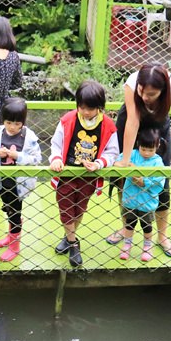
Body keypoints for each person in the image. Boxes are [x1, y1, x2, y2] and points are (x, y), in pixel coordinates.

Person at [110, 64, 171, 258]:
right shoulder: (132, 83)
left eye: (151, 94)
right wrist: (125, 160)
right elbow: (133, 120)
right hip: (130, 129)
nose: (144, 97)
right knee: (124, 181)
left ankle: (162, 236)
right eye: (142, 91)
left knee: (161, 183)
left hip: (158, 132)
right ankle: (126, 228)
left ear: (163, 90)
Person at [48, 80, 119, 268]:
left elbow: (112, 152)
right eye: (82, 107)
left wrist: (99, 163)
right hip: (67, 174)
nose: (86, 112)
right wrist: (56, 159)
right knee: (65, 209)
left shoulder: (108, 126)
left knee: (79, 210)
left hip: (89, 177)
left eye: (90, 108)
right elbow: (56, 144)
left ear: (100, 107)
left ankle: (68, 237)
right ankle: (73, 244)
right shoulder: (68, 120)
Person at [0, 97, 41, 262]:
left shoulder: (29, 136)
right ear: (3, 120)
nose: (12, 127)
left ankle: (14, 246)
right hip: (2, 181)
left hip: (18, 185)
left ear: (23, 122)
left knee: (15, 213)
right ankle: (11, 236)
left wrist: (17, 155)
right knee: (8, 209)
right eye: (9, 122)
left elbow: (36, 159)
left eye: (17, 124)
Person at [117, 127, 166, 262]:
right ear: (138, 144)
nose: (146, 153)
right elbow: (119, 161)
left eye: (150, 150)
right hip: (130, 199)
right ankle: (127, 245)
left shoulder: (157, 161)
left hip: (147, 201)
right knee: (129, 223)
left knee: (147, 226)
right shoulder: (132, 154)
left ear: (157, 146)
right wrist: (127, 166)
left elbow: (159, 179)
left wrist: (144, 182)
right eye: (143, 149)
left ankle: (147, 247)